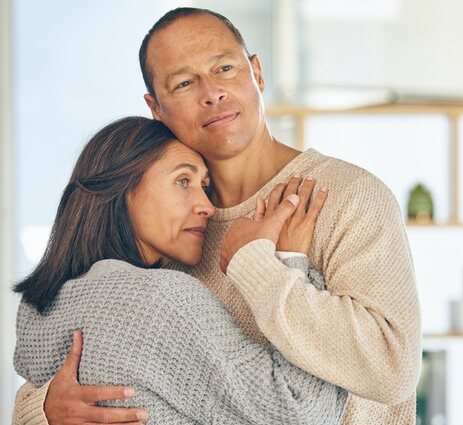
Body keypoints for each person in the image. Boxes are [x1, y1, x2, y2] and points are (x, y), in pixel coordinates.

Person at [14, 7, 421, 425]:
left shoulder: (347, 197)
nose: (212, 93)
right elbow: (90, 349)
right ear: (156, 108)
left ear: (257, 73)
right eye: (185, 82)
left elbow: (392, 370)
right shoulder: (169, 228)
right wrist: (42, 410)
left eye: (225, 68)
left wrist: (260, 268)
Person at [13, 116, 346, 424]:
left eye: (204, 185)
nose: (207, 207)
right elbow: (301, 411)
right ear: (123, 189)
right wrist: (289, 264)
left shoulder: (40, 309)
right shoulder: (159, 300)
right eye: (182, 181)